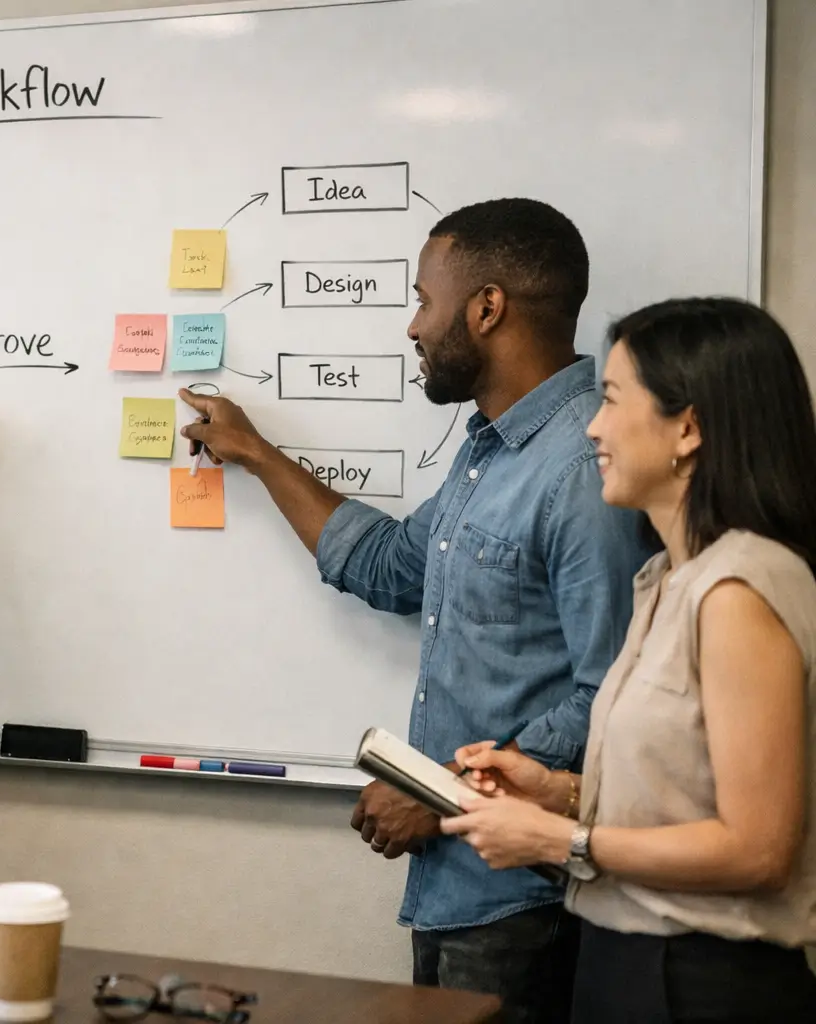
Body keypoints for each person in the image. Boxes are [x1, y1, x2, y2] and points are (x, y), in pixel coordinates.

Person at [180, 198, 654, 1021]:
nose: (413, 326)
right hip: (462, 888)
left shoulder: (583, 466)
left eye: (424, 300)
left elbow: (611, 695)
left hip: (524, 897)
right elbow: (391, 567)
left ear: (487, 308)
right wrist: (255, 452)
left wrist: (442, 797)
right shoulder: (492, 451)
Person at [443, 297, 816, 1023]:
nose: (593, 426)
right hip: (628, 962)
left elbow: (758, 850)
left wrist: (564, 840)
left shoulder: (738, 590)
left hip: (702, 980)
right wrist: (557, 793)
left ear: (688, 429)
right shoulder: (665, 580)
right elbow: (683, 797)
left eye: (612, 399)